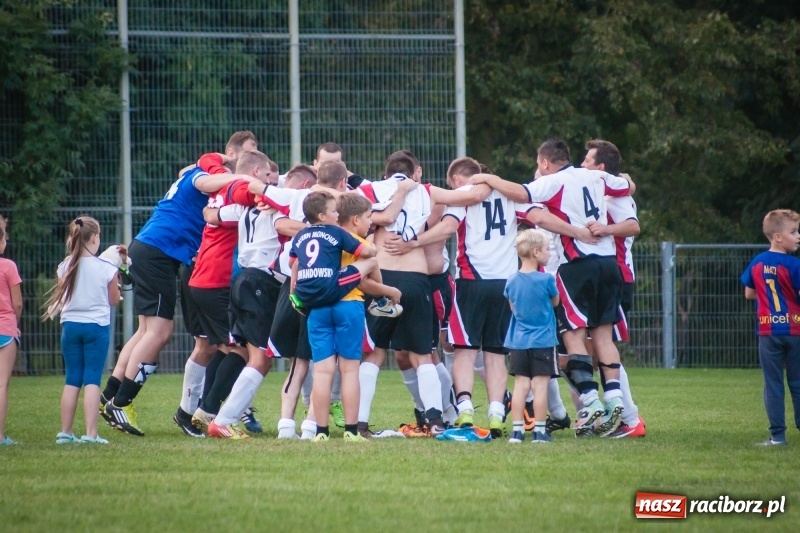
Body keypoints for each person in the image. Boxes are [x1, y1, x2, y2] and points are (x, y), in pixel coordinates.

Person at [470, 138, 634, 436]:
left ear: (544, 162)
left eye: (537, 163)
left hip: (577, 266)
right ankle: (614, 398)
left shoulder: (555, 180)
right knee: (602, 336)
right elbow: (627, 186)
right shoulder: (596, 176)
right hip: (609, 263)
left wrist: (488, 177)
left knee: (572, 337)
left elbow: (522, 193)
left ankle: (590, 400)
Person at [102, 132, 256, 436]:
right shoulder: (203, 174)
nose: (250, 162)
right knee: (159, 332)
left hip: (151, 251)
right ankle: (121, 403)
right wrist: (236, 175)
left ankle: (111, 395)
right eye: (246, 155)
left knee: (147, 331)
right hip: (157, 253)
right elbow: (203, 179)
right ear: (227, 156)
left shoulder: (200, 174)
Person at [356, 151, 491, 437]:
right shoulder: (428, 191)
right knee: (422, 355)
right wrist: (487, 180)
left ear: (386, 172)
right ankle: (436, 421)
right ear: (414, 172)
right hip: (416, 280)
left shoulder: (369, 189)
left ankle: (361, 424)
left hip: (381, 278)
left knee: (374, 353)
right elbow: (472, 196)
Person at [288, 191, 384, 441]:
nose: (337, 214)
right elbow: (367, 253)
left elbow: (294, 265)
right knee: (350, 370)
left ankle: (320, 432)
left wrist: (295, 293)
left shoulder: (300, 235)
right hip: (347, 304)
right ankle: (352, 431)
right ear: (324, 214)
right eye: (333, 211)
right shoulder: (340, 234)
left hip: (316, 308)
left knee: (322, 372)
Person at [581, 139, 646, 438]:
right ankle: (610, 416)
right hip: (601, 279)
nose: (582, 165)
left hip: (618, 278)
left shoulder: (614, 194)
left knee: (604, 347)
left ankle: (630, 419)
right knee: (594, 350)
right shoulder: (601, 191)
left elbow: (633, 226)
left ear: (601, 168)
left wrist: (604, 229)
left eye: (587, 161)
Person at [43, 217, 121, 444]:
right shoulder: (107, 268)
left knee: (72, 378)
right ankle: (91, 434)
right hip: (96, 328)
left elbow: (65, 295)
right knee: (92, 380)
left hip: (70, 327)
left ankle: (65, 432)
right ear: (95, 238)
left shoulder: (65, 266)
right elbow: (113, 300)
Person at [741, 209, 800, 446]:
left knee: (773, 384)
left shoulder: (757, 262)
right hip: (795, 330)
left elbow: (749, 293)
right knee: (797, 382)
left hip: (768, 331)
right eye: (794, 231)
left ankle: (778, 436)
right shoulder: (794, 265)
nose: (798, 236)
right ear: (777, 236)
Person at [504, 229, 560, 443]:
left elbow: (512, 306)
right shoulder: (546, 280)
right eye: (547, 249)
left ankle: (517, 431)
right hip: (543, 341)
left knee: (521, 386)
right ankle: (539, 431)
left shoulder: (511, 281)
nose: (548, 253)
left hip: (518, 341)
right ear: (536, 252)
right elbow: (555, 302)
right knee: (539, 386)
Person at [0, 215, 22, 446]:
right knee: (2, 385)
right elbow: (17, 304)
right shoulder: (8, 266)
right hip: (5, 330)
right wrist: (13, 324)